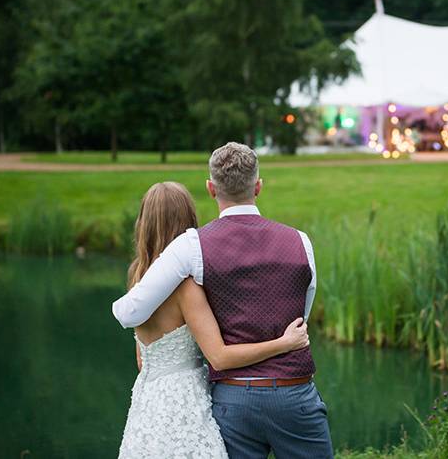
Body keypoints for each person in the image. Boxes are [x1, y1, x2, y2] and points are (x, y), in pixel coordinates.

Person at [112, 142, 333, 458]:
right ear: (258, 186)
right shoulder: (300, 241)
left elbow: (130, 313)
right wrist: (283, 343)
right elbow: (301, 315)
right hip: (293, 393)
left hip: (233, 400)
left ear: (210, 189)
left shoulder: (191, 247)